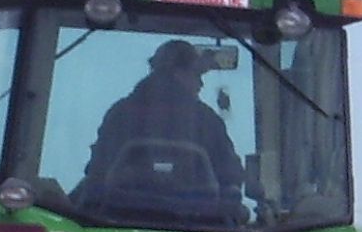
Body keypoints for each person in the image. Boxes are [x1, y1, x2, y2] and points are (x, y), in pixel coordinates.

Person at [79, 39, 244, 209]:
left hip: (118, 215)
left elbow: (98, 170)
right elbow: (229, 174)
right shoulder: (207, 120)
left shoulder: (120, 113)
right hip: (196, 221)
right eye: (197, 75)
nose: (201, 84)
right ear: (177, 73)